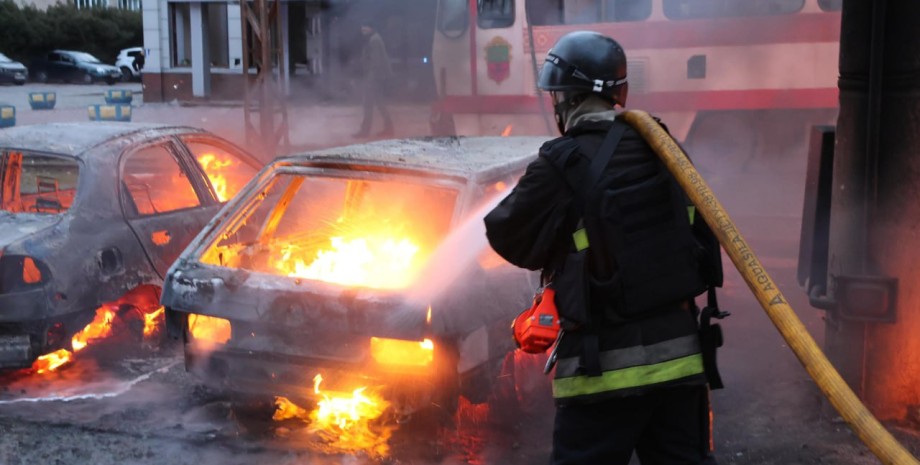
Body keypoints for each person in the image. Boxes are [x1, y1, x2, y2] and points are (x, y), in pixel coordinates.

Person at [484, 31, 719, 465]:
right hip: (681, 363)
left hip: (600, 372)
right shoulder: (663, 146)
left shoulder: (562, 162)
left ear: (565, 100)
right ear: (619, 92)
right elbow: (703, 235)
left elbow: (506, 233)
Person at [353, 21, 394, 138]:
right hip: (377, 76)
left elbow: (376, 61)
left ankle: (365, 130)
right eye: (362, 29)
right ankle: (388, 128)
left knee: (368, 104)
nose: (363, 31)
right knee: (380, 104)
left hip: (374, 77)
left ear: (371, 28)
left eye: (365, 29)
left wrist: (370, 78)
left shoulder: (373, 40)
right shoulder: (374, 38)